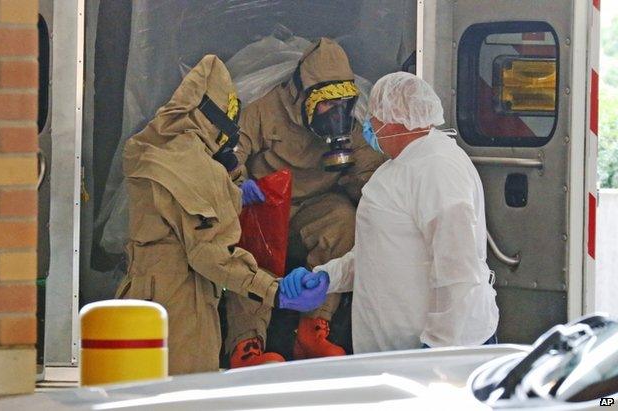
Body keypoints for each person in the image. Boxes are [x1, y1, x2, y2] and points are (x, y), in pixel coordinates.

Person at [115, 55, 329, 375]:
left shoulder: (151, 147)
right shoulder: (197, 167)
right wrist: (276, 291)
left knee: (138, 391)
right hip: (182, 306)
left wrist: (230, 191)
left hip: (138, 295)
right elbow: (212, 255)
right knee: (186, 394)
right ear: (217, 114)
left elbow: (175, 213)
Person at [284, 72, 499, 353]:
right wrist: (328, 278)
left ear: (397, 119)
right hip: (396, 352)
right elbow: (380, 252)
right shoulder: (397, 166)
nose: (368, 125)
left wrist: (438, 348)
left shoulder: (438, 168)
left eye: (374, 116)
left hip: (439, 353)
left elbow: (457, 271)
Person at [225, 38, 386, 365]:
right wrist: (238, 189)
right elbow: (231, 154)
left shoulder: (350, 127)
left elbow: (372, 175)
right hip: (265, 206)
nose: (337, 114)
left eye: (343, 102)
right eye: (327, 104)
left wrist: (373, 192)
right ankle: (246, 345)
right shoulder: (264, 110)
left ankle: (313, 329)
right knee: (248, 249)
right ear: (302, 95)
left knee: (344, 218)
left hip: (312, 209)